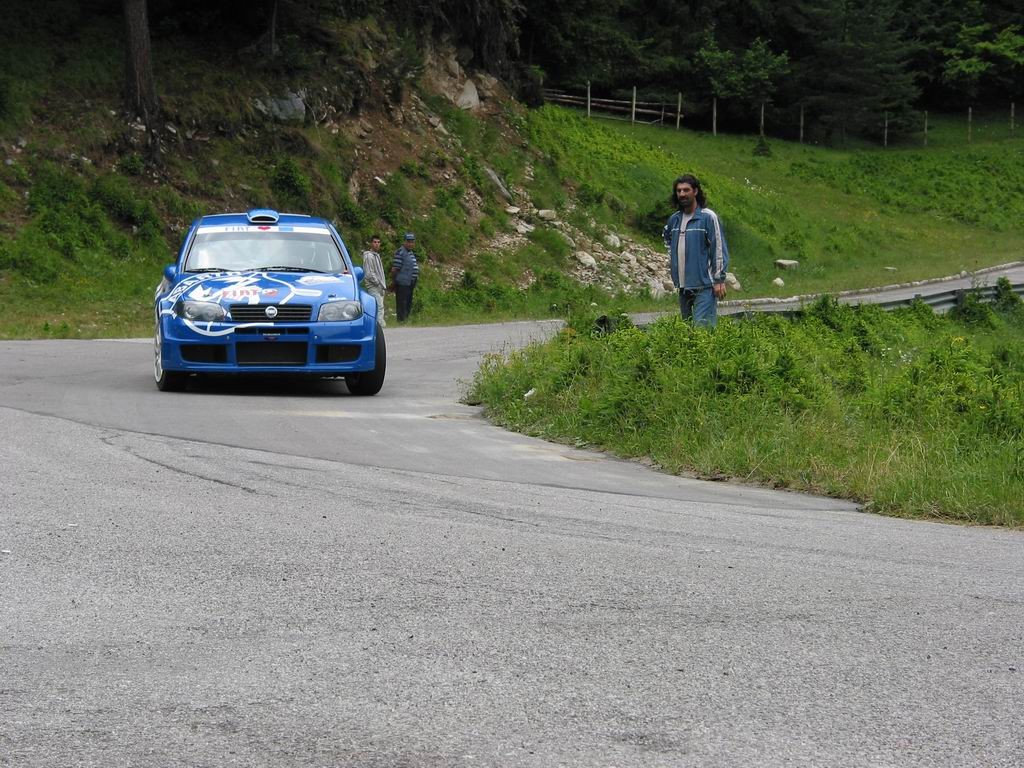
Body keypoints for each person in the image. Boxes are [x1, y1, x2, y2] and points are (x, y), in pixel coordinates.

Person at [662, 174, 729, 327]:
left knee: (702, 329)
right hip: (683, 286)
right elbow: (667, 239)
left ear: (696, 191)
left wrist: (719, 279)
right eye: (679, 191)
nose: (682, 194)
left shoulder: (708, 217)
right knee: (687, 330)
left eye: (686, 190)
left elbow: (718, 248)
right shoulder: (675, 219)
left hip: (704, 285)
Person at [390, 232, 420, 322]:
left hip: (410, 282)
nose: (410, 244)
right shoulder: (401, 252)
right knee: (402, 302)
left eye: (412, 242)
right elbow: (395, 269)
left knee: (408, 302)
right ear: (404, 242)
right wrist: (394, 282)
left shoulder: (410, 253)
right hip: (402, 282)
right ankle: (401, 320)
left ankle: (406, 319)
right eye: (408, 242)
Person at [360, 235, 387, 327]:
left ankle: (378, 326)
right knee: (378, 307)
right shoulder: (369, 256)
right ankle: (379, 328)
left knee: (380, 307)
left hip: (380, 286)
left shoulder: (376, 256)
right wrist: (377, 283)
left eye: (378, 242)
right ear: (371, 243)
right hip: (373, 286)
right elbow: (369, 273)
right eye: (375, 242)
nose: (377, 244)